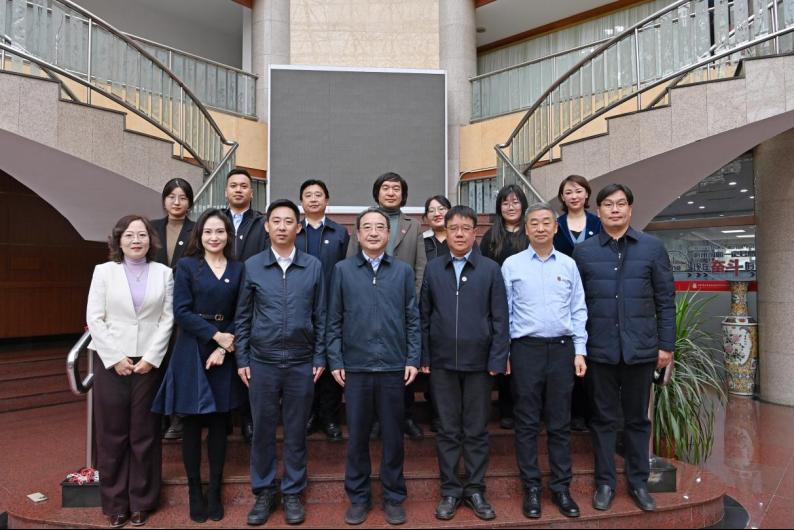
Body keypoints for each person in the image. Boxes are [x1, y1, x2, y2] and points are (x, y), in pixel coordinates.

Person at [572, 183, 675, 513]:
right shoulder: (584, 252)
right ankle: (605, 483)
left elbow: (665, 300)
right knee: (603, 419)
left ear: (630, 209)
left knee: (637, 420)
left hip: (640, 349)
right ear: (598, 211)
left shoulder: (652, 248)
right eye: (608, 204)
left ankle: (639, 482)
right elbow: (576, 304)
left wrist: (666, 345)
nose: (614, 210)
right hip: (599, 349)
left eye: (620, 204)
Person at [235, 199, 326, 526]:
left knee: (296, 431)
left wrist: (319, 356)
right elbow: (243, 317)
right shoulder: (253, 266)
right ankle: (263, 491)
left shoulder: (313, 266)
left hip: (302, 362)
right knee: (262, 430)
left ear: (298, 228)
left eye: (289, 221)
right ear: (267, 226)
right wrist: (242, 357)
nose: (283, 226)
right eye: (277, 221)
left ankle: (292, 492)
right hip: (263, 361)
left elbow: (321, 314)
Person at [327, 208, 421, 526]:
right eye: (367, 227)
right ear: (358, 233)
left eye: (380, 227)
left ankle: (393, 497)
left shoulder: (403, 271)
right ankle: (359, 497)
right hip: (356, 367)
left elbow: (412, 318)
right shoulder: (342, 270)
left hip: (394, 366)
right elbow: (333, 318)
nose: (374, 232)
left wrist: (412, 358)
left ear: (388, 234)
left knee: (393, 437)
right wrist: (335, 359)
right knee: (357, 437)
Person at [151, 209, 244, 523]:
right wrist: (215, 336)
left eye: (220, 231)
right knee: (191, 422)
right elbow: (181, 311)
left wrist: (223, 346)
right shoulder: (187, 266)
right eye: (208, 232)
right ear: (199, 236)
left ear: (228, 236)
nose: (214, 237)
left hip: (224, 351)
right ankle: (194, 489)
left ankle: (214, 489)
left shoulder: (239, 268)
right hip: (192, 348)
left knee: (218, 422)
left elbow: (243, 311)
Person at [419, 205, 509, 522]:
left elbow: (500, 318)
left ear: (475, 232)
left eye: (465, 228)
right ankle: (450, 490)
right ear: (446, 231)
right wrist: (424, 356)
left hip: (479, 364)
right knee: (447, 429)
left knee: (475, 430)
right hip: (442, 362)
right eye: (453, 228)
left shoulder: (490, 269)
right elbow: (424, 316)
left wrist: (498, 357)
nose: (459, 234)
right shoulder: (434, 268)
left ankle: (475, 489)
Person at [85, 215, 174, 528]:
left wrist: (151, 357)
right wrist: (115, 357)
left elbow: (167, 318)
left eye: (142, 235)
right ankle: (115, 503)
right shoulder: (104, 272)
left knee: (144, 433)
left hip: (148, 362)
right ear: (118, 240)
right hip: (112, 361)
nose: (136, 240)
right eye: (129, 235)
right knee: (112, 433)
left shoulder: (164, 273)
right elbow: (95, 318)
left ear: (151, 240)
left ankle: (142, 501)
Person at [502, 203, 588, 520]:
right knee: (526, 422)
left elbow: (578, 309)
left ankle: (561, 488)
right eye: (534, 223)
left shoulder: (568, 264)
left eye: (546, 223)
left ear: (555, 228)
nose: (540, 228)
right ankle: (532, 488)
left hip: (563, 350)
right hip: (526, 350)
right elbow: (505, 312)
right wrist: (505, 353)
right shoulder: (511, 265)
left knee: (560, 422)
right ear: (526, 229)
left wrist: (580, 350)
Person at [348, 172, 426, 441]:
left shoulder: (413, 226)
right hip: (367, 305)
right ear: (377, 193)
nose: (391, 193)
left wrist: (411, 300)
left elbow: (420, 267)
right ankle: (374, 421)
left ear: (403, 195)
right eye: (385, 188)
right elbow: (351, 262)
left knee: (401, 368)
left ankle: (405, 417)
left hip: (400, 304)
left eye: (396, 189)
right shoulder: (365, 221)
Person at [296, 178, 350, 442]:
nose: (314, 199)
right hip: (300, 306)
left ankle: (329, 417)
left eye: (319, 194)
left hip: (332, 305)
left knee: (330, 361)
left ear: (327, 200)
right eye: (308, 195)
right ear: (301, 201)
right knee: (306, 362)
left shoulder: (340, 233)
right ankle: (308, 415)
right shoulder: (294, 231)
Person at [479, 184, 530, 430]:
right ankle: (506, 409)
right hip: (497, 302)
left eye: (515, 202)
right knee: (503, 355)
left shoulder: (531, 232)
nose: (511, 207)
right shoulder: (491, 236)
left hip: (527, 303)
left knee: (522, 359)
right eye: (505, 203)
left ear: (523, 205)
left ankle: (525, 408)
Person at [553, 175, 602, 433]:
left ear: (587, 194)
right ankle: (574, 413)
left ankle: (593, 411)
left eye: (578, 191)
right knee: (569, 356)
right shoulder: (555, 225)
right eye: (568, 192)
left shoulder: (598, 223)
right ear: (562, 197)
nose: (574, 196)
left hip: (595, 294)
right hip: (563, 296)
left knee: (592, 354)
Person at [222, 167, 266, 443]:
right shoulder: (216, 219)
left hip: (253, 297)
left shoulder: (262, 223)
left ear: (251, 192)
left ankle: (249, 419)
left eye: (243, 186)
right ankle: (223, 418)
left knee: (249, 358)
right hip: (221, 296)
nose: (238, 190)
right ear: (226, 191)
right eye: (233, 185)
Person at [150, 178, 196, 441]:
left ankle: (178, 418)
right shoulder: (151, 228)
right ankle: (157, 417)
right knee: (155, 361)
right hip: (153, 306)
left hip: (184, 305)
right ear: (164, 200)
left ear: (190, 202)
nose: (176, 202)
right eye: (171, 197)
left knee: (177, 362)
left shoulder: (197, 229)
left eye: (182, 197)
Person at [422, 195, 451, 262]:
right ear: (426, 217)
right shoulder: (421, 240)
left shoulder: (460, 237)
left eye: (441, 209)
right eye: (431, 211)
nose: (437, 214)